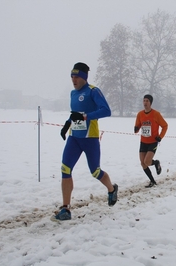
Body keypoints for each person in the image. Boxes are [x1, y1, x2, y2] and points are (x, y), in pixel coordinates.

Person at [54, 62, 118, 221]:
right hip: (74, 137)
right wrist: (67, 124)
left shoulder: (93, 91)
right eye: (72, 77)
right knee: (65, 168)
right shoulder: (72, 94)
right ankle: (66, 209)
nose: (73, 80)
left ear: (84, 78)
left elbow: (106, 110)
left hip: (90, 138)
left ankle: (111, 189)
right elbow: (74, 113)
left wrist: (86, 117)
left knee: (95, 171)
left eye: (76, 77)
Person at [134, 94, 168, 188]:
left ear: (150, 103)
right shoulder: (140, 114)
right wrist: (136, 128)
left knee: (147, 161)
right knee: (142, 163)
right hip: (143, 141)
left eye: (147, 101)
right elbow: (137, 126)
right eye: (144, 101)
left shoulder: (156, 114)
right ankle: (152, 181)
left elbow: (165, 126)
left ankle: (156, 163)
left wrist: (160, 137)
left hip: (153, 141)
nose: (145, 103)